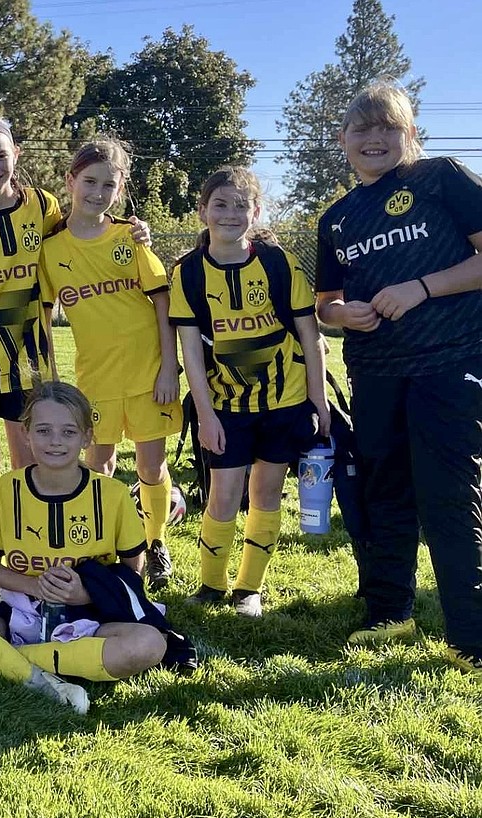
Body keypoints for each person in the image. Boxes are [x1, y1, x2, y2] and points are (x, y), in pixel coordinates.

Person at [315, 82, 482, 672]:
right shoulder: (336, 218)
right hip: (376, 374)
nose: (374, 138)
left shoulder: (441, 179)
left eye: (387, 126)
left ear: (410, 133)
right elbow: (325, 304)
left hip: (451, 361)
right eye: (361, 129)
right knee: (384, 489)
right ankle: (390, 611)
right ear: (343, 142)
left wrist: (423, 287)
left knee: (447, 497)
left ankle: (471, 637)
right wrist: (342, 316)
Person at [0, 381, 169, 714]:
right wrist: (33, 585)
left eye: (69, 432)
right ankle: (28, 668)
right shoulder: (5, 491)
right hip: (17, 615)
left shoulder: (112, 495)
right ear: (25, 433)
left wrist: (84, 594)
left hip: (89, 620)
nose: (55, 441)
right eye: (43, 430)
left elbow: (133, 571)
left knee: (150, 644)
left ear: (87, 437)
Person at [0, 116, 151, 527]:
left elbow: (85, 232)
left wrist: (134, 232)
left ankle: (24, 539)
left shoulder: (42, 206)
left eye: (1, 156)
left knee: (27, 457)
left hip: (28, 363)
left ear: (16, 154)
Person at [170, 166, 328, 618]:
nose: (230, 214)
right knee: (222, 495)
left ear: (256, 211)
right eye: (220, 204)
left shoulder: (279, 263)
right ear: (202, 211)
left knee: (267, 492)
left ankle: (248, 588)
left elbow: (309, 334)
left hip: (284, 401)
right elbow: (192, 353)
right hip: (226, 407)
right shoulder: (188, 273)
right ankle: (210, 584)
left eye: (242, 205)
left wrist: (318, 401)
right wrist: (206, 415)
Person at [39, 139, 181, 591]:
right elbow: (43, 314)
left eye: (108, 185)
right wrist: (51, 377)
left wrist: (168, 368)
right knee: (98, 464)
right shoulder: (51, 249)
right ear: (70, 181)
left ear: (120, 191)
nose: (98, 193)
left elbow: (162, 304)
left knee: (150, 468)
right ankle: (101, 544)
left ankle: (155, 544)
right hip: (94, 378)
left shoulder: (130, 237)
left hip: (147, 373)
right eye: (90, 182)